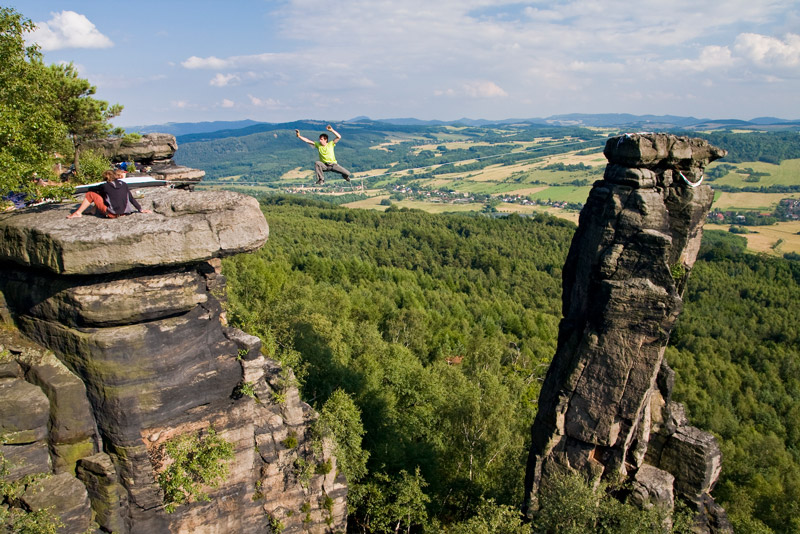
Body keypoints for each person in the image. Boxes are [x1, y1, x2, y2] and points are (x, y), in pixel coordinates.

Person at [67, 170, 152, 219]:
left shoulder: (105, 186)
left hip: (112, 214)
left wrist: (100, 189)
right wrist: (140, 209)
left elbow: (90, 190)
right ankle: (93, 210)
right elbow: (131, 198)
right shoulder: (124, 184)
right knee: (105, 194)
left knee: (90, 194)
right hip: (125, 213)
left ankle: (78, 213)